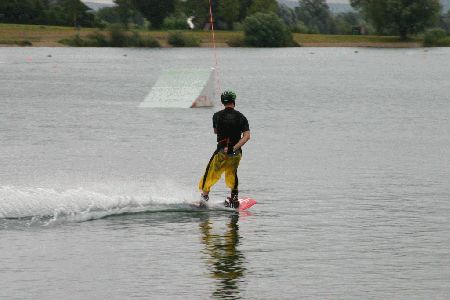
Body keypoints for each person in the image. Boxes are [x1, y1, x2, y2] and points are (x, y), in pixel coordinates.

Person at [198, 91, 251, 208]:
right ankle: (234, 198)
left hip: (221, 151)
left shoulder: (216, 116)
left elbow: (215, 131)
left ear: (223, 102)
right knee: (232, 173)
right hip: (236, 153)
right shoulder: (241, 117)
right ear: (234, 102)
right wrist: (234, 148)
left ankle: (204, 198)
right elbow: (247, 136)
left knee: (210, 172)